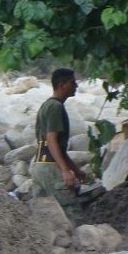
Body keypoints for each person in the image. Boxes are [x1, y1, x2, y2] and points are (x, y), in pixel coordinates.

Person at [29, 68, 86, 224]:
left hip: (40, 165)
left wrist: (75, 170)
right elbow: (52, 141)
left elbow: (57, 148)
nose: (76, 86)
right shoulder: (56, 107)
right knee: (72, 214)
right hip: (51, 168)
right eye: (72, 82)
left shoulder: (46, 106)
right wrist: (66, 171)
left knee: (42, 216)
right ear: (62, 85)